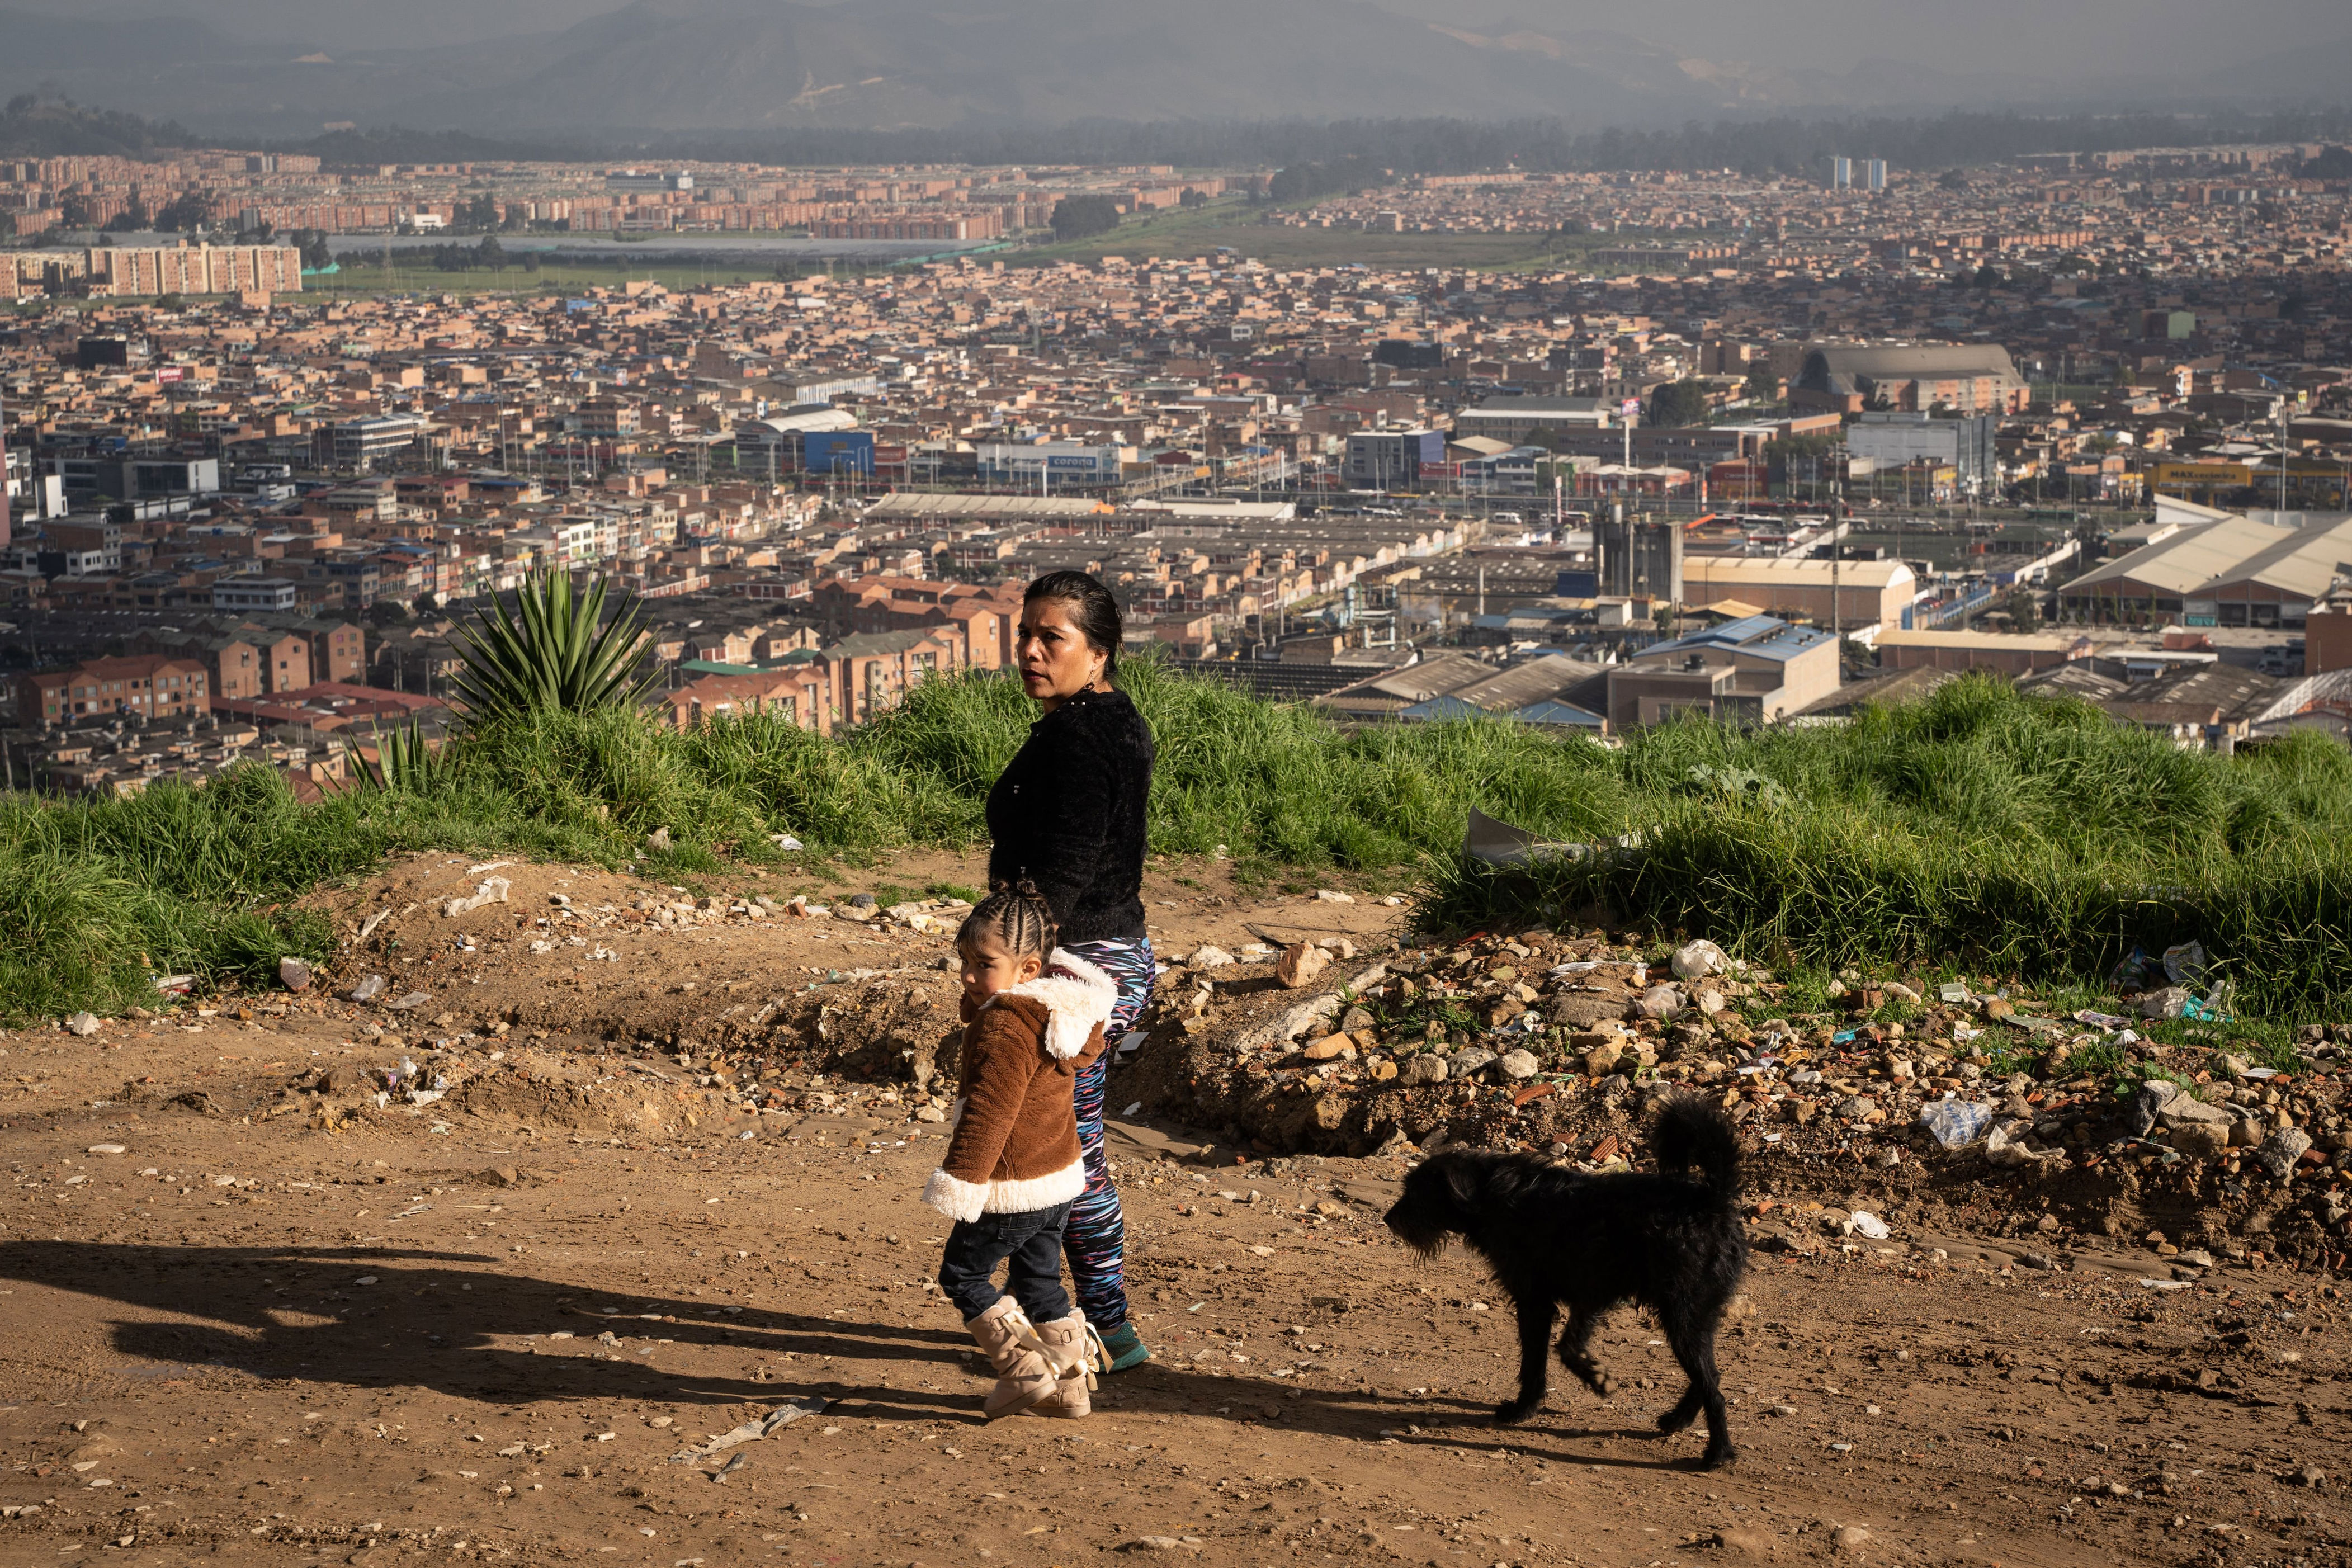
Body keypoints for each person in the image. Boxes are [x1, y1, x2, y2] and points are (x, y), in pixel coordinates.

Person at [985, 570, 1156, 1372]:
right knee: (1061, 1144)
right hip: (1103, 954)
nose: (1029, 650)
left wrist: (1012, 965)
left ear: (1100, 650)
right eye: (1025, 633)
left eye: (1051, 638)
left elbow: (1066, 865)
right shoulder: (1111, 720)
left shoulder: (1077, 737)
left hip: (1074, 965)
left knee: (1068, 1152)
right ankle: (1069, 1317)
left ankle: (1106, 1329)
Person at [923, 881, 1120, 1420]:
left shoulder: (1006, 1026)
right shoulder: (1056, 1015)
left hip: (1013, 1186)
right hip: (1058, 1178)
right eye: (963, 961)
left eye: (983, 965)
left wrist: (962, 1181)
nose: (968, 975)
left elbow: (992, 1109)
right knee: (1038, 1282)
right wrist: (984, 996)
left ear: (1029, 969)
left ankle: (1025, 1372)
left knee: (962, 1276)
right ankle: (1073, 1386)